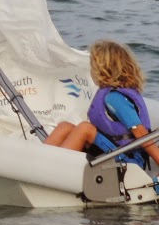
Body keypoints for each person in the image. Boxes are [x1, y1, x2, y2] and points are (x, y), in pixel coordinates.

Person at [45, 40, 159, 170]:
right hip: (113, 148)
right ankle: (40, 162)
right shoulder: (109, 93)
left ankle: (54, 169)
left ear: (103, 69)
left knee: (85, 128)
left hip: (130, 158)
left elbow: (140, 133)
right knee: (65, 127)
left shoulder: (115, 99)